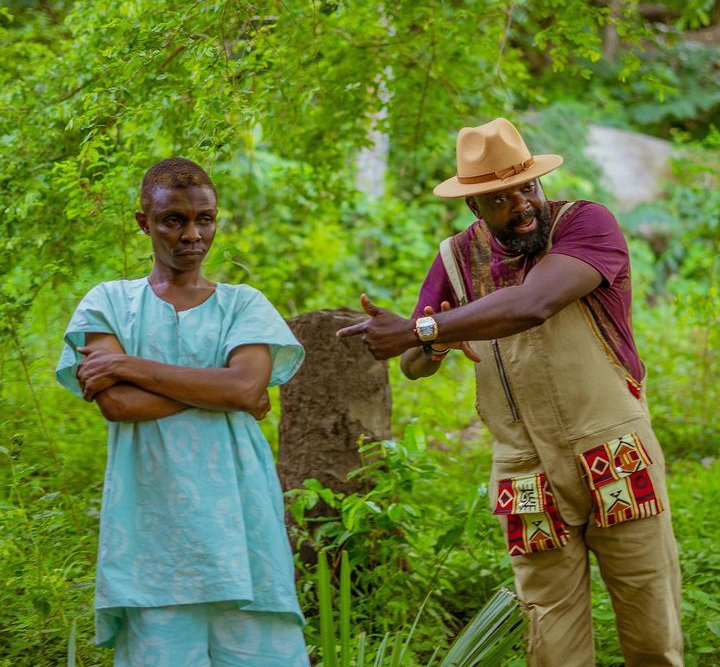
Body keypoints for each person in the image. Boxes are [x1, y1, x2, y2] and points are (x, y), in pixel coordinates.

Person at [337, 118, 683, 666]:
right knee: (550, 634)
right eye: (499, 198)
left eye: (527, 187)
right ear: (475, 208)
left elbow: (533, 304)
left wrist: (424, 328)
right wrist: (430, 342)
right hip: (525, 470)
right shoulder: (455, 258)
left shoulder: (585, 224)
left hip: (611, 450)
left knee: (650, 621)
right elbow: (413, 364)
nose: (522, 204)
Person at [56, 158, 310, 667]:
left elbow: (244, 388)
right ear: (143, 222)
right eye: (173, 219)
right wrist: (226, 389)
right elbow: (119, 404)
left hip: (242, 530)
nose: (192, 234)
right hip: (152, 534)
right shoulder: (107, 303)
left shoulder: (244, 304)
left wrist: (128, 363)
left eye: (205, 219)